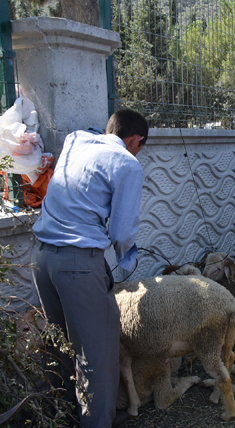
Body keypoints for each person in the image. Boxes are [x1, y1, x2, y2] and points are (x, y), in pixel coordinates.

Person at [32, 109, 149, 428]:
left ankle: (62, 416)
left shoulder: (75, 140)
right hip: (78, 265)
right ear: (135, 140)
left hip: (41, 258)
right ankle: (97, 421)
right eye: (140, 146)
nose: (138, 152)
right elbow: (122, 232)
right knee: (96, 355)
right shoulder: (127, 163)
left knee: (60, 345)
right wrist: (128, 258)